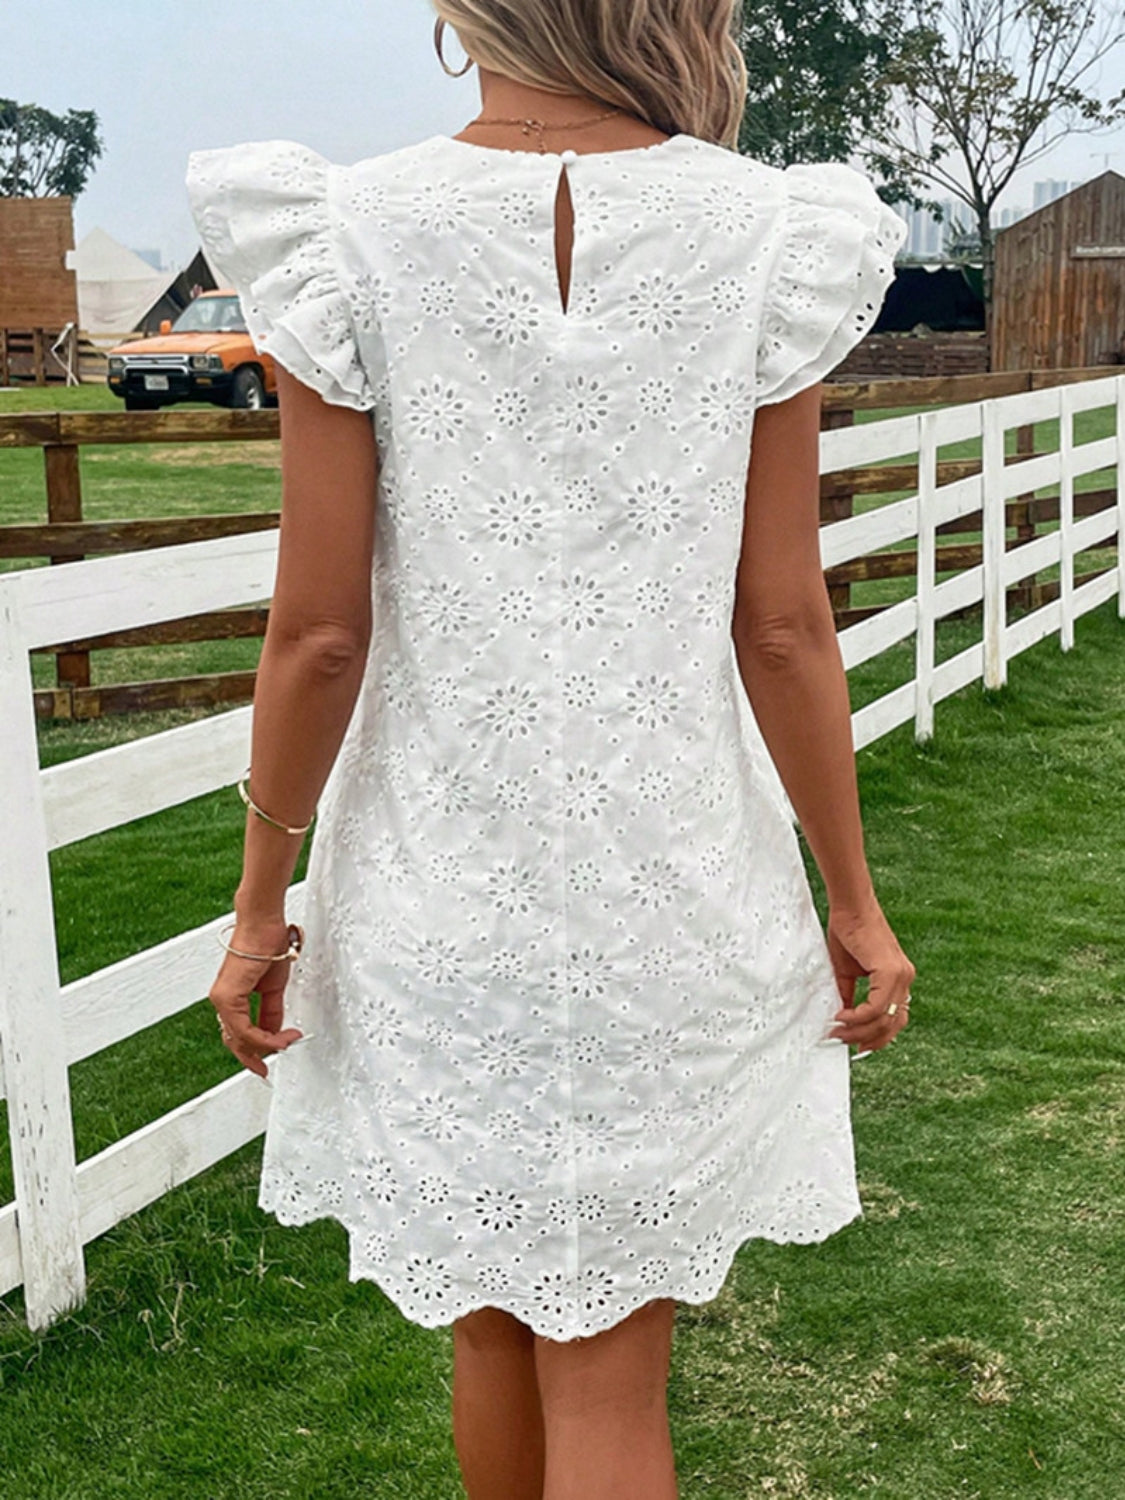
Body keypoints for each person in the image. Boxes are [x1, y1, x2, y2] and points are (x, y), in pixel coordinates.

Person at [185, 2, 916, 1495]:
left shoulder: (346, 234)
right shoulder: (771, 235)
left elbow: (318, 633)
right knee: (609, 1379)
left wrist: (261, 904)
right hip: (677, 894)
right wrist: (851, 898)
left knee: (494, 1325)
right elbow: (783, 624)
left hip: (436, 896)